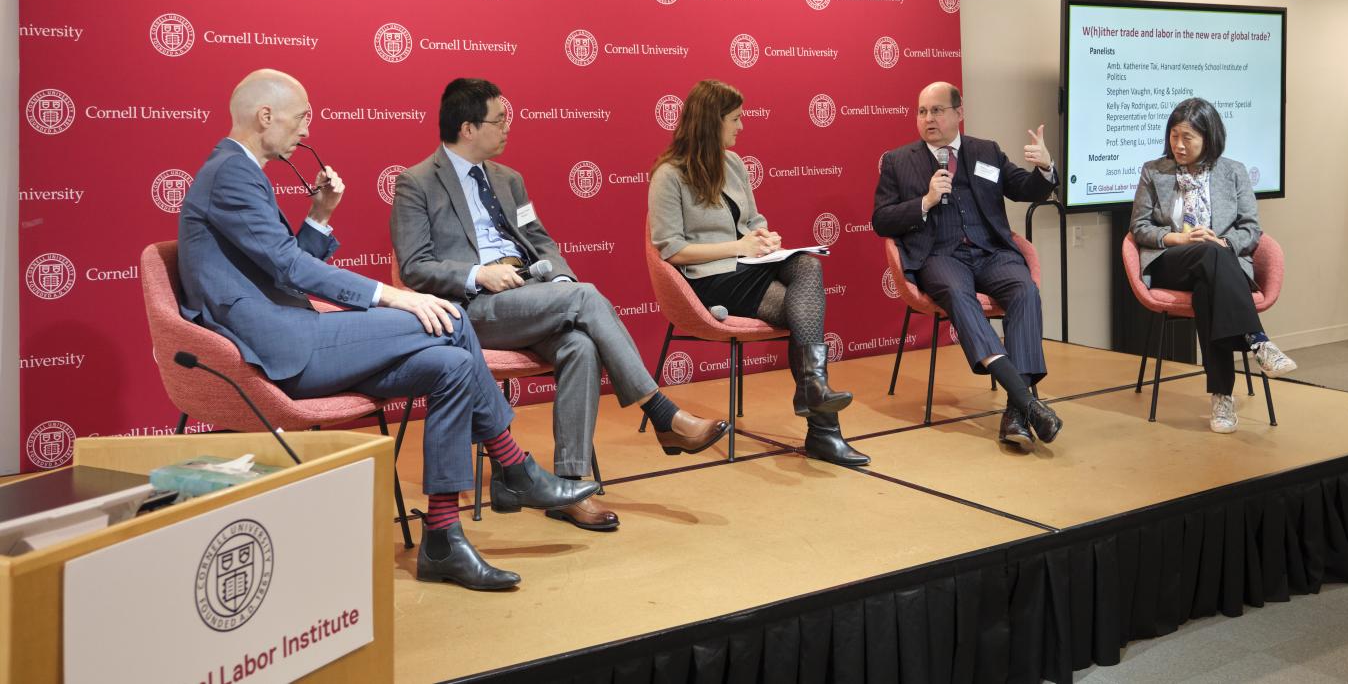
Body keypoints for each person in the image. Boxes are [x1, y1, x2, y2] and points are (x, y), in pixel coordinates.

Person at [178, 69, 597, 591]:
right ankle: (513, 467)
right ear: (266, 116)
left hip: (292, 329)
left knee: (453, 365)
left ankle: (442, 539)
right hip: (280, 349)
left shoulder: (239, 172)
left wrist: (319, 216)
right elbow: (289, 271)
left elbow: (278, 267)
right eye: (302, 115)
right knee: (451, 316)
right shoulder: (232, 174)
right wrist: (392, 293)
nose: (308, 129)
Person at [391, 78, 728, 531]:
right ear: (468, 128)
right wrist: (477, 274)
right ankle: (662, 414)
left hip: (533, 295)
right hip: (471, 308)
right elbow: (414, 266)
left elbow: (540, 241)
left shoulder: (509, 180)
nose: (508, 126)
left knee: (580, 346)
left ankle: (570, 484)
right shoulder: (416, 183)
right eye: (499, 119)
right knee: (585, 296)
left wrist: (559, 278)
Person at [648, 79, 869, 467]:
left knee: (806, 264)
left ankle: (814, 395)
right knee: (805, 313)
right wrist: (738, 247)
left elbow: (752, 219)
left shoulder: (733, 164)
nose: (741, 126)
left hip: (747, 267)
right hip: (708, 279)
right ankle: (822, 425)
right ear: (710, 122)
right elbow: (672, 250)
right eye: (735, 119)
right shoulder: (669, 175)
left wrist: (763, 238)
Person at [872, 81, 1062, 451]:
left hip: (992, 252)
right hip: (940, 256)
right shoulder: (898, 161)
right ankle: (1027, 403)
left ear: (959, 113)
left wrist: (1045, 169)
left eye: (937, 110)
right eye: (922, 111)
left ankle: (1017, 410)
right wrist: (925, 201)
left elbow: (1025, 188)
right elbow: (881, 219)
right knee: (959, 296)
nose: (928, 119)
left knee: (1024, 290)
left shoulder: (985, 151)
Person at [1129, 97, 1296, 433]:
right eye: (1174, 135)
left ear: (1209, 137)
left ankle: (1222, 397)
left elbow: (1251, 228)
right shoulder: (1154, 170)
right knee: (1208, 255)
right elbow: (1140, 226)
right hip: (1171, 262)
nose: (1178, 144)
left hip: (1218, 266)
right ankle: (1258, 340)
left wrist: (1222, 242)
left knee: (1209, 285)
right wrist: (1176, 239)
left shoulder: (1233, 171)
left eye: (1187, 137)